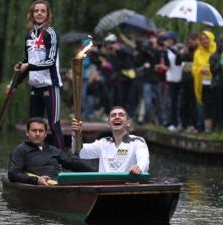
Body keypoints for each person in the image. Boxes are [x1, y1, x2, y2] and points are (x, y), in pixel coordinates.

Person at [10, 0, 65, 149]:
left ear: (47, 15)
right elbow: (27, 60)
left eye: (43, 11)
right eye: (36, 11)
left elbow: (50, 62)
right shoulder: (29, 35)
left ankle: (60, 162)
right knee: (35, 127)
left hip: (50, 86)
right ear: (32, 14)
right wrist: (14, 84)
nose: (39, 13)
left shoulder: (51, 34)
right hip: (35, 87)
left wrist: (29, 66)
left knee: (53, 125)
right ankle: (36, 159)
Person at [8, 117, 93, 186]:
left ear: (45, 134)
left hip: (58, 185)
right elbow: (13, 174)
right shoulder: (20, 150)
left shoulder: (52, 150)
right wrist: (36, 180)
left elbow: (73, 163)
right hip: (39, 186)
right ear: (27, 133)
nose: (37, 134)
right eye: (34, 130)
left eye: (41, 131)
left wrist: (95, 173)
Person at [71, 106, 149, 175]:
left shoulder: (137, 141)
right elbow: (79, 151)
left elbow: (144, 160)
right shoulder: (103, 143)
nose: (117, 117)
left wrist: (139, 167)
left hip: (127, 186)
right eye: (113, 115)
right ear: (108, 123)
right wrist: (76, 134)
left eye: (121, 115)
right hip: (104, 187)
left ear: (128, 123)